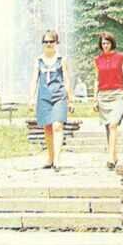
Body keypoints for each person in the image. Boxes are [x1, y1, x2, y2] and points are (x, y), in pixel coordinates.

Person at [28, 30, 74, 171]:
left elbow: (66, 80)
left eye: (51, 41)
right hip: (44, 97)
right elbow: (34, 79)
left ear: (56, 43)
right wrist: (30, 98)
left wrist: (70, 99)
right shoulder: (39, 60)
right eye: (46, 42)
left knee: (57, 126)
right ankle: (50, 156)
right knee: (47, 127)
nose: (49, 44)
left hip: (59, 96)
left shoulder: (62, 60)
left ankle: (57, 159)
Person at [93, 31, 123, 170]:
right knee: (108, 126)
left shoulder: (120, 57)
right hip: (103, 95)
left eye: (107, 43)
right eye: (103, 43)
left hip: (118, 93)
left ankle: (109, 158)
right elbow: (96, 79)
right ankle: (114, 155)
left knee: (114, 124)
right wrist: (94, 98)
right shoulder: (97, 60)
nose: (105, 46)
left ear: (112, 43)